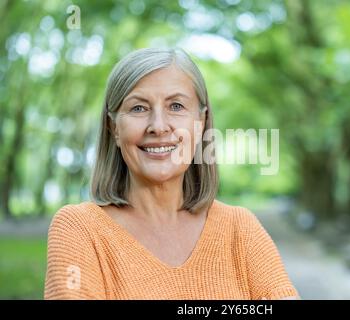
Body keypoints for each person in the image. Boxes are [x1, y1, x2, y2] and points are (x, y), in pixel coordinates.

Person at [44, 48, 299, 300]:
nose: (158, 126)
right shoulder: (79, 229)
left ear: (200, 124)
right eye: (138, 108)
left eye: (176, 106)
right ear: (114, 129)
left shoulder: (240, 229)